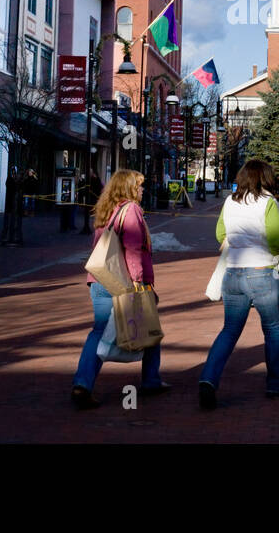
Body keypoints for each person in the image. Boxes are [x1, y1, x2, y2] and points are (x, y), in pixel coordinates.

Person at [198, 159, 279, 410]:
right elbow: (274, 237)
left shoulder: (229, 201)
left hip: (233, 273)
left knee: (229, 330)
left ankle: (208, 378)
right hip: (262, 271)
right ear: (265, 177)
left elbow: (220, 234)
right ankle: (275, 383)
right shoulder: (267, 202)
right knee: (272, 328)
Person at [71, 169, 167, 409]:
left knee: (98, 332)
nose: (143, 190)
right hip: (125, 282)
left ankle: (83, 383)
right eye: (139, 185)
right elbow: (133, 249)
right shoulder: (131, 209)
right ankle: (151, 380)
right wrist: (138, 281)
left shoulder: (106, 210)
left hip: (101, 281)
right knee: (150, 327)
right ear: (129, 188)